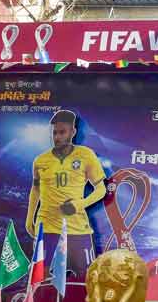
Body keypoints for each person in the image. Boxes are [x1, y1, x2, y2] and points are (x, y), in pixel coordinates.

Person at [25, 110, 107, 277]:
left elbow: (101, 189)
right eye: (54, 132)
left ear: (73, 132)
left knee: (88, 278)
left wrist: (79, 205)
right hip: (47, 226)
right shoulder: (40, 161)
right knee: (40, 276)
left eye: (62, 132)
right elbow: (36, 189)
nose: (57, 137)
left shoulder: (86, 155)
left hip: (77, 228)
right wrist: (29, 218)